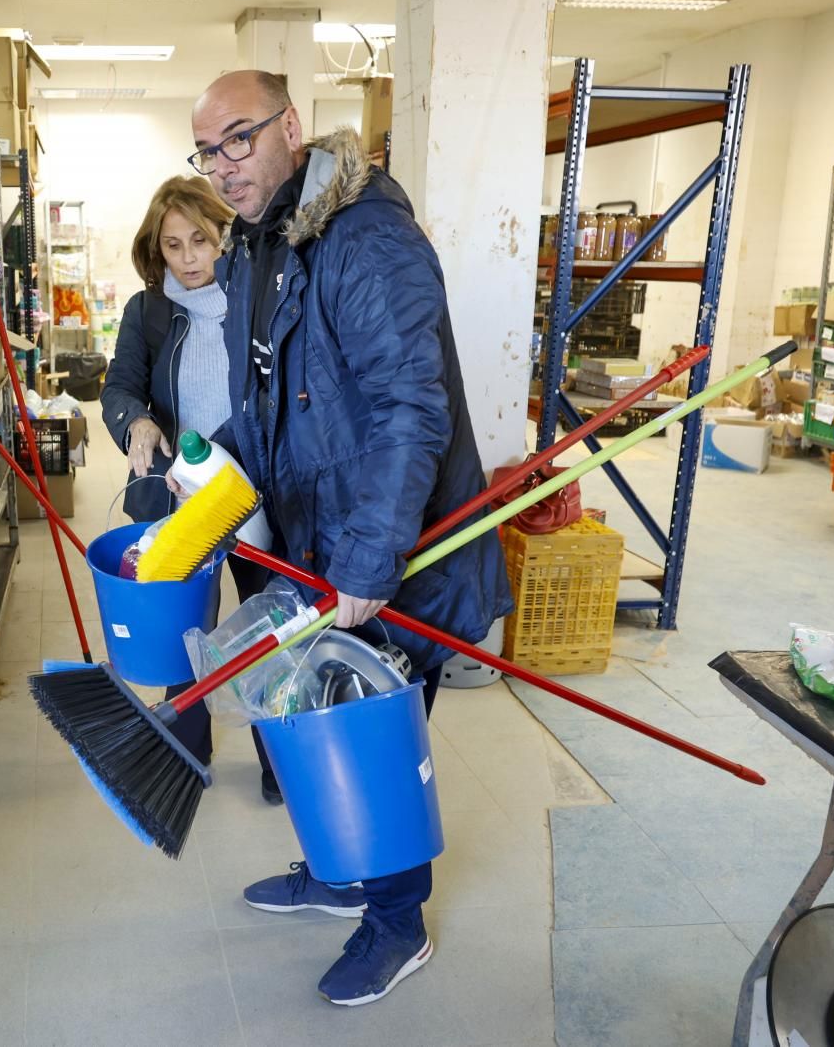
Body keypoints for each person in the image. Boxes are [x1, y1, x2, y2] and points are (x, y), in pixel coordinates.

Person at [184, 70, 513, 1006]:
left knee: (373, 738)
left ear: (291, 126)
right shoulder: (265, 242)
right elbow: (278, 401)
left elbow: (413, 409)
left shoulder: (365, 236)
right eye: (207, 150)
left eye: (238, 140)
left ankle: (396, 923)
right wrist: (209, 471)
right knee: (315, 714)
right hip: (322, 538)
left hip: (400, 547)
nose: (223, 166)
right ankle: (339, 872)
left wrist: (371, 560)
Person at [99, 176, 270, 779]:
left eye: (200, 240)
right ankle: (184, 749)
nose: (189, 257)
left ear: (226, 235)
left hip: (254, 493)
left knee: (269, 623)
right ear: (157, 249)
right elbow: (119, 386)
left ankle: (282, 763)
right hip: (175, 494)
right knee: (182, 626)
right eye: (173, 245)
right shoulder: (147, 312)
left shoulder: (260, 303)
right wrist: (137, 422)